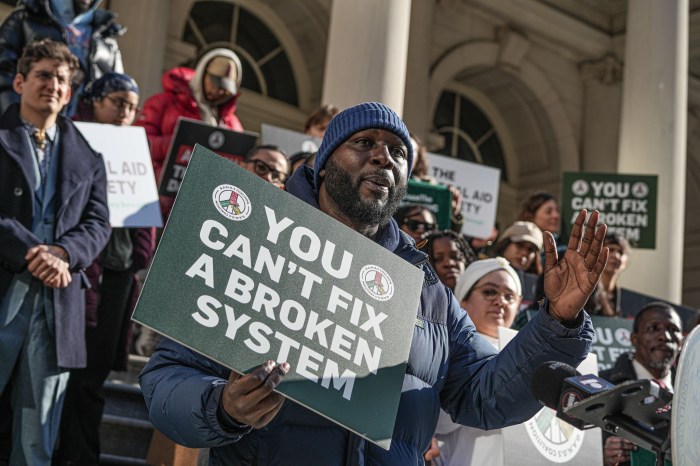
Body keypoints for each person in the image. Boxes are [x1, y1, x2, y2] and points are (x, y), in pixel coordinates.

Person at [140, 102, 608, 465]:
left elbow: (486, 398)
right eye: (363, 143)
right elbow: (167, 379)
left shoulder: (430, 295)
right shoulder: (254, 245)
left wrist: (557, 321)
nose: (383, 156)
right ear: (324, 164)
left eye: (399, 152)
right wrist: (222, 407)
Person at [0, 39, 110, 466]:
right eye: (43, 75)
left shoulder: (90, 156)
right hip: (6, 287)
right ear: (19, 81)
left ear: (69, 93)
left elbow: (99, 224)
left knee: (36, 442)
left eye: (61, 79)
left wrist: (63, 252)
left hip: (56, 309)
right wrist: (35, 251)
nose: (52, 84)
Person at [53, 72, 155, 466]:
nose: (124, 113)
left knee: (91, 380)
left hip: (115, 278)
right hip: (76, 272)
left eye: (131, 106)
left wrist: (139, 256)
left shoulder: (134, 152)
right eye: (116, 102)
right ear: (94, 101)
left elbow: (144, 228)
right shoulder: (69, 141)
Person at [135, 48, 244, 217]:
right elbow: (137, 145)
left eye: (225, 88)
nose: (218, 91)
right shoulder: (164, 103)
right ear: (202, 74)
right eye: (214, 82)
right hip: (157, 200)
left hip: (202, 208)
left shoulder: (233, 124)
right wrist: (177, 144)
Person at [434, 257, 522, 466]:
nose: (500, 301)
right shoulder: (444, 347)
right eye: (489, 292)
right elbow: (440, 421)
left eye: (509, 296)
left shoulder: (533, 356)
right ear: (464, 300)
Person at [0, 0, 124, 116]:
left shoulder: (106, 36)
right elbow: (3, 74)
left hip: (81, 131)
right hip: (28, 126)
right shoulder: (25, 18)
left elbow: (118, 92)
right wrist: (14, 121)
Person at [600, 302, 682, 466]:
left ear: (681, 342)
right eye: (653, 328)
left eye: (673, 330)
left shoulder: (693, 391)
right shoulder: (601, 384)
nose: (664, 336)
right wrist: (600, 456)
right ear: (634, 339)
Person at [589, 232, 630, 316]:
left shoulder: (628, 302)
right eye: (610, 250)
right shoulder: (585, 294)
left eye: (621, 252)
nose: (616, 256)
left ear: (626, 262)